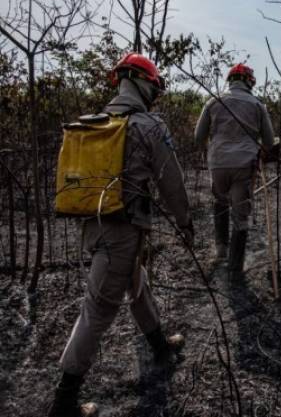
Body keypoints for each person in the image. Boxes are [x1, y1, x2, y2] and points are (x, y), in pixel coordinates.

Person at [48, 53, 193, 417]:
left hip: (93, 226)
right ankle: (63, 401)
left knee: (137, 282)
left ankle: (160, 345)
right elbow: (171, 182)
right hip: (122, 231)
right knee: (97, 309)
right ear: (145, 83)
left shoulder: (94, 122)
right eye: (155, 87)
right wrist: (185, 221)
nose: (155, 95)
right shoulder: (147, 125)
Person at [194, 63, 274, 277]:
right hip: (244, 166)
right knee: (240, 214)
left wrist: (212, 150)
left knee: (220, 202)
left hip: (218, 164)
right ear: (249, 81)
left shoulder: (213, 101)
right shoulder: (258, 105)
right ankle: (235, 266)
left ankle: (221, 249)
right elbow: (268, 140)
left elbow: (198, 136)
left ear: (230, 80)